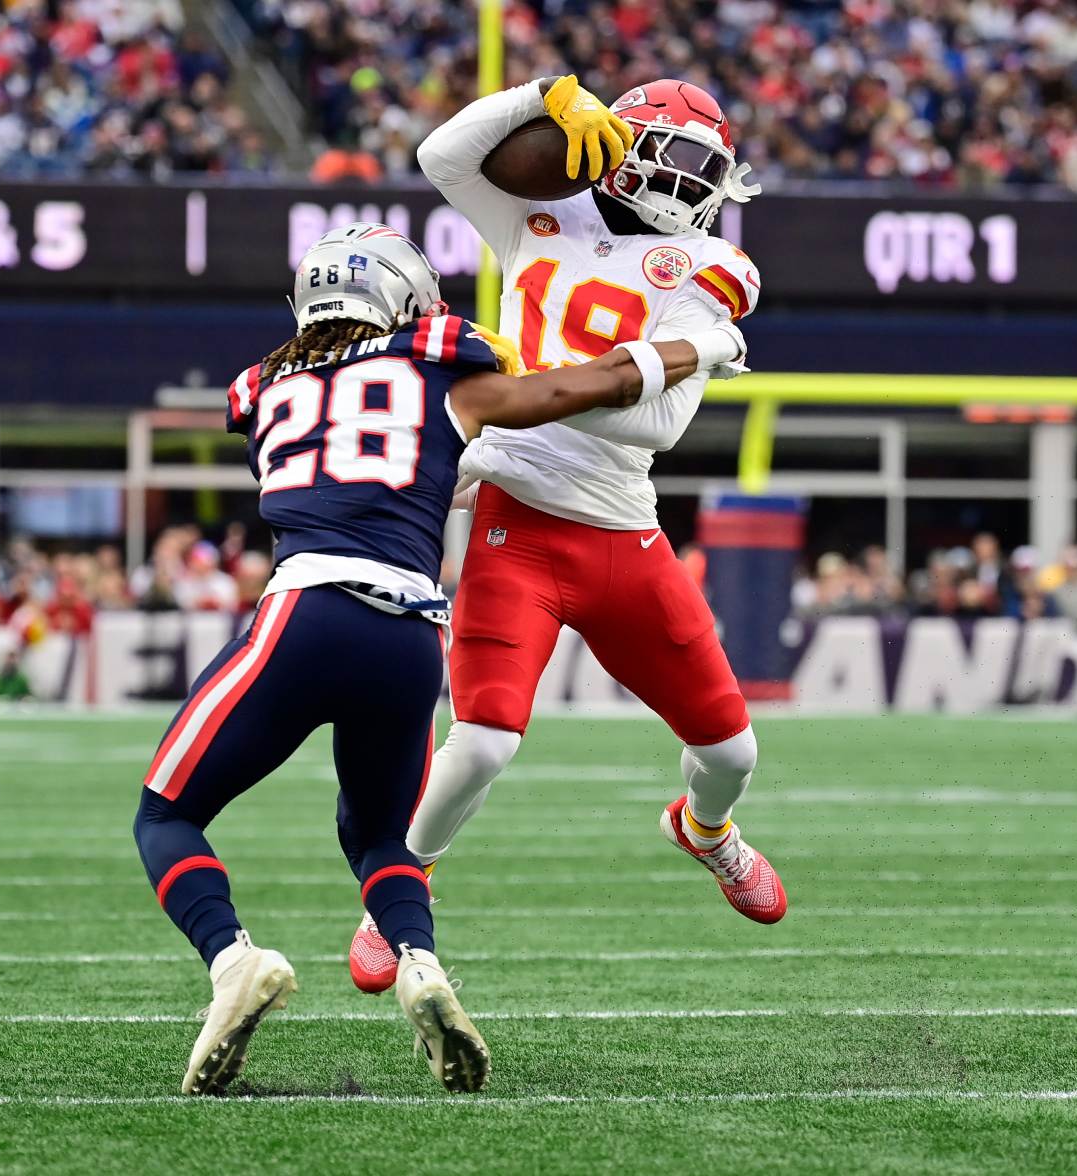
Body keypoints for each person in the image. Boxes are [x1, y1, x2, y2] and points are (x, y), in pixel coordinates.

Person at [131, 221, 740, 1097]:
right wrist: (706, 345)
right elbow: (595, 383)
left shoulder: (260, 387)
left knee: (166, 814)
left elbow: (312, 423)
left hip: (304, 611)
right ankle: (420, 964)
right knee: (382, 836)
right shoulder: (445, 369)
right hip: (410, 637)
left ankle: (234, 961)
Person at [348, 74, 780, 993]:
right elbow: (442, 155)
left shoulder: (713, 267)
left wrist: (536, 386)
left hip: (622, 530)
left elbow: (657, 428)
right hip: (518, 515)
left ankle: (703, 831)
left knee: (733, 754)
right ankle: (398, 887)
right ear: (617, 145)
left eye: (706, 167)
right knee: (483, 742)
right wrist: (544, 94)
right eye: (670, 154)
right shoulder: (544, 217)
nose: (687, 183)